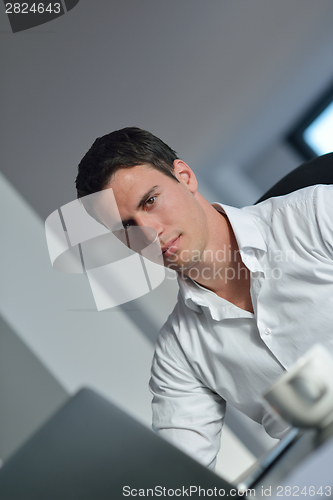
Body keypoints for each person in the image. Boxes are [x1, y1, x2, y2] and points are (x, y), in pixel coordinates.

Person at [76, 127, 333, 470]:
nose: (148, 233)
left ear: (184, 176)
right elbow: (184, 477)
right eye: (126, 226)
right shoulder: (179, 352)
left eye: (150, 200)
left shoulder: (316, 214)